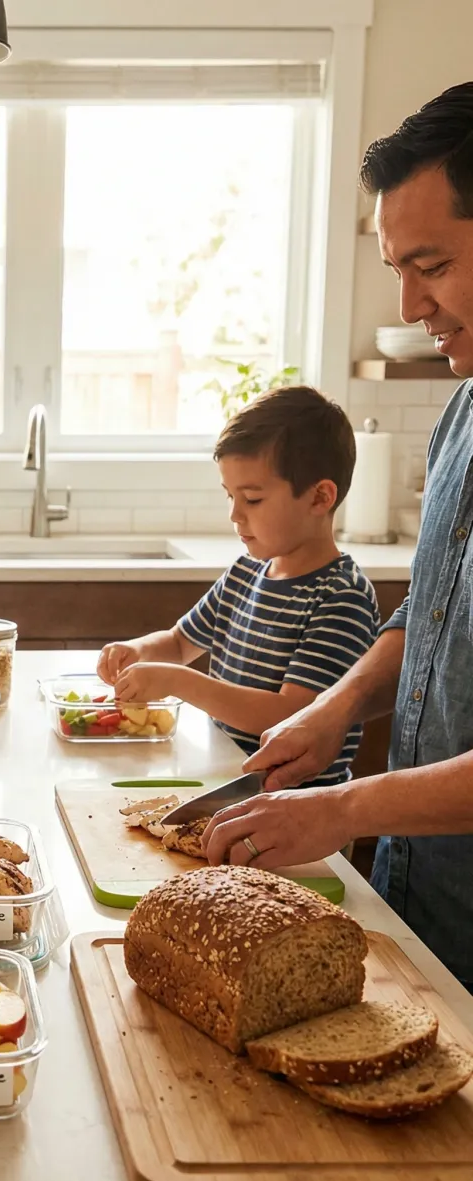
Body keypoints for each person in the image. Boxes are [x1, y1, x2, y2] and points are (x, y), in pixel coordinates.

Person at [200, 83, 473, 991]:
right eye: (399, 268)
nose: (408, 304)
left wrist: (339, 808)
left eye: (429, 265)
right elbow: (432, 617)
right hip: (420, 891)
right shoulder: (461, 414)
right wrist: (337, 705)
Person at [98, 386, 380, 785]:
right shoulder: (246, 573)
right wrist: (137, 652)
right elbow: (180, 643)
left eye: (252, 499)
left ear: (319, 498)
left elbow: (290, 715)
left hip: (299, 808)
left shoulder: (341, 597)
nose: (234, 514)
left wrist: (175, 681)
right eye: (230, 495)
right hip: (229, 783)